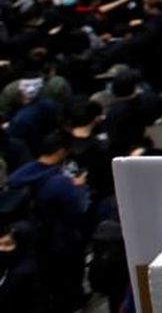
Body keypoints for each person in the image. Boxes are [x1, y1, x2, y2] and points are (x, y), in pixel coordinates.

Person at [8, 132, 90, 312]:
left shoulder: (23, 175)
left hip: (34, 240)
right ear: (61, 152)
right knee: (68, 282)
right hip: (63, 241)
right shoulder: (59, 182)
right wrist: (79, 187)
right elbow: (78, 209)